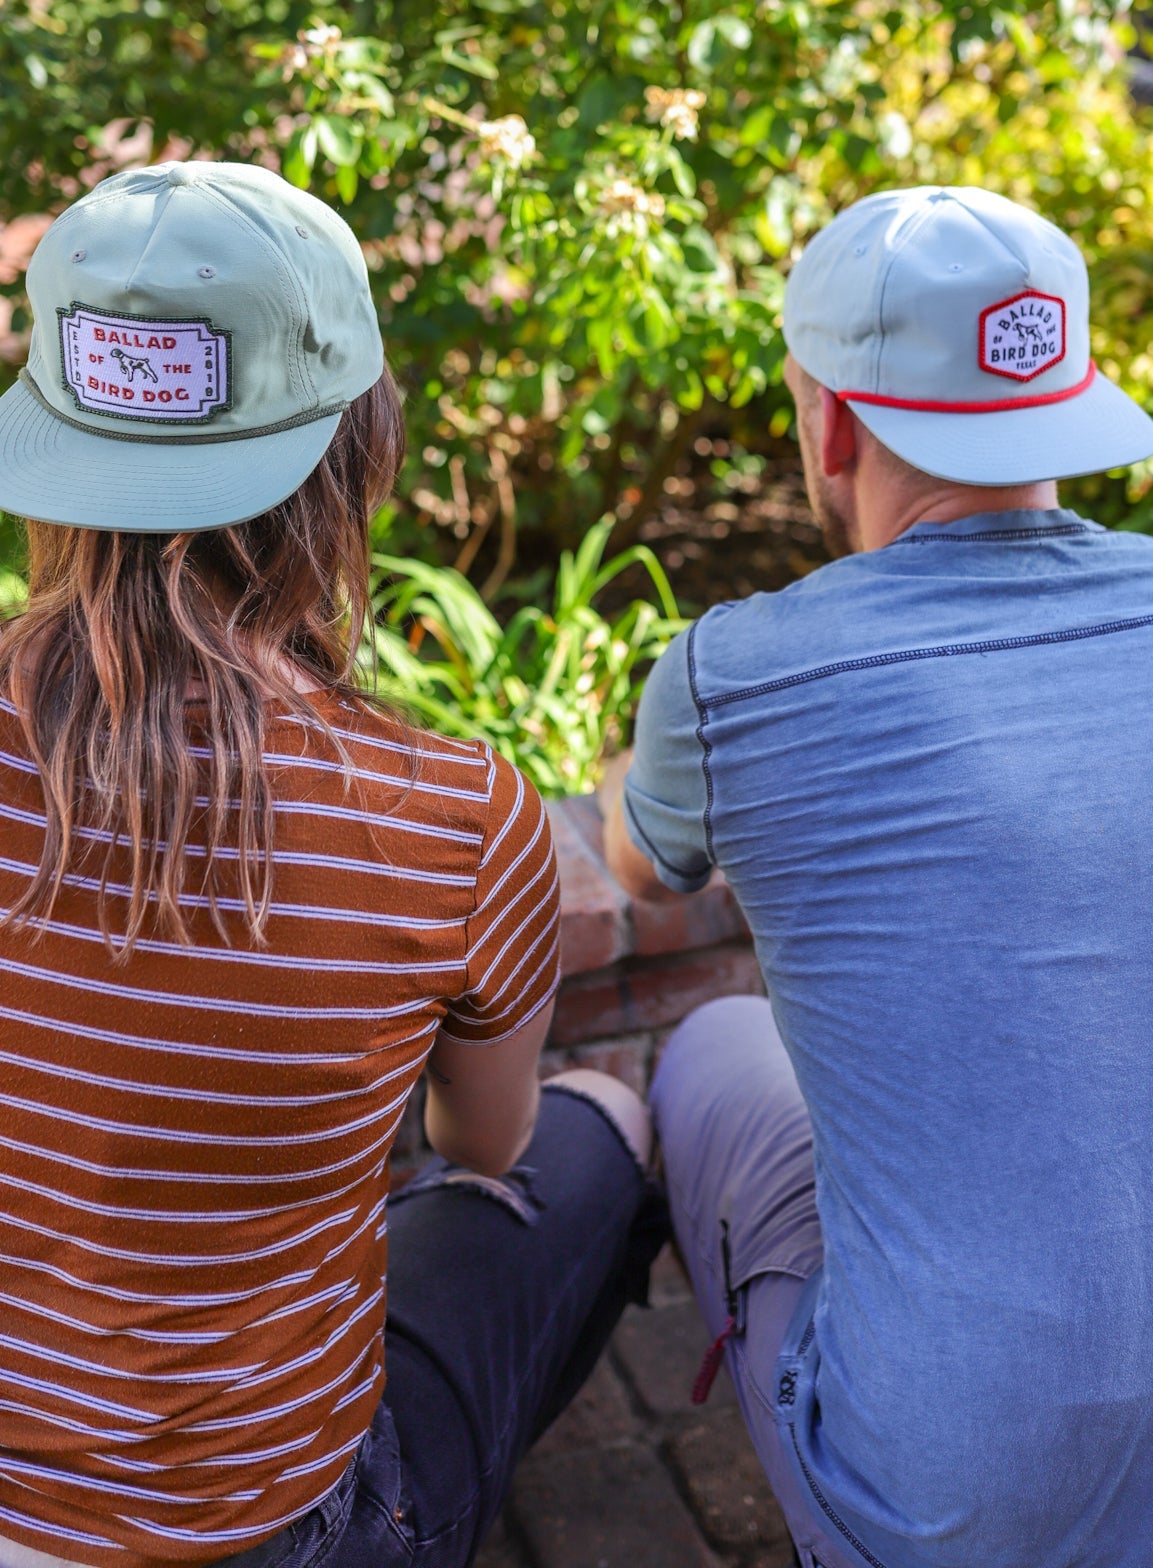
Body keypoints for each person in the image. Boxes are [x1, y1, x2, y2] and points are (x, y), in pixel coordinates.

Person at [0, 161, 663, 1568]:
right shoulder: (454, 818)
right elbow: (482, 1147)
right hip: (265, 1531)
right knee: (598, 1133)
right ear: (360, 447)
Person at [602, 183, 1153, 1568]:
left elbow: (640, 874)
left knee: (711, 1044)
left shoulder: (731, 675)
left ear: (833, 426)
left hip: (952, 1509)